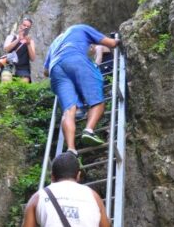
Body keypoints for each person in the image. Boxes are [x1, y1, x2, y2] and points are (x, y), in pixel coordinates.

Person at [43, 25, 120, 155]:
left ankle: (71, 149)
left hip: (55, 69)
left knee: (68, 111)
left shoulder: (55, 43)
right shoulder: (80, 28)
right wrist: (118, 40)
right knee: (97, 100)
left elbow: (45, 71)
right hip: (75, 59)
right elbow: (111, 43)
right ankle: (89, 130)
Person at [1, 17, 36, 83]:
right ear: (20, 25)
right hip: (9, 65)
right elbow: (6, 49)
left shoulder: (30, 41)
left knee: (24, 83)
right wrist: (18, 39)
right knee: (6, 80)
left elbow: (33, 58)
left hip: (23, 68)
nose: (25, 27)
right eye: (24, 25)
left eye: (28, 26)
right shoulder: (11, 37)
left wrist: (28, 44)